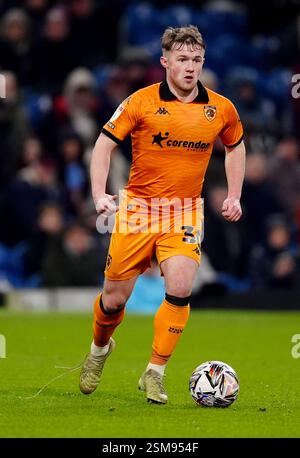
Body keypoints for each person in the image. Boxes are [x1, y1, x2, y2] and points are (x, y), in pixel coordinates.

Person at [79, 25, 246, 404]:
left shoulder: (220, 108)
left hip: (184, 211)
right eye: (183, 59)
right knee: (113, 300)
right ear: (165, 61)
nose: (190, 67)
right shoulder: (139, 101)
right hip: (138, 210)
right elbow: (103, 146)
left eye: (197, 60)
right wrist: (98, 193)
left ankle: (155, 371)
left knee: (182, 288)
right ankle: (99, 350)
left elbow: (235, 147)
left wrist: (235, 194)